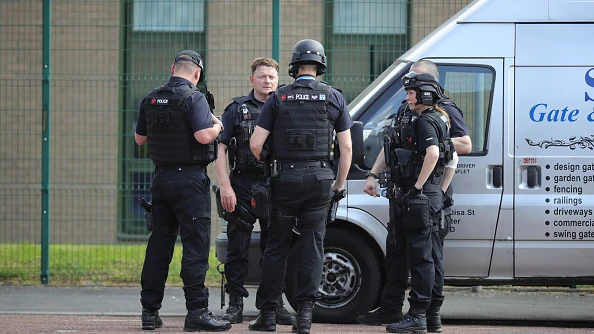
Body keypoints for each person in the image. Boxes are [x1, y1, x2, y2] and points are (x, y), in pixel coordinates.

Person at [248, 39, 353, 334]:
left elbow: (255, 144)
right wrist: (338, 186)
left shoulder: (278, 98)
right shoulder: (333, 97)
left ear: (294, 67)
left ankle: (267, 316)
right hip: (320, 180)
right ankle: (304, 317)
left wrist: (272, 162)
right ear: (320, 67)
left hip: (285, 180)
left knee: (276, 247)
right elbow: (346, 149)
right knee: (312, 247)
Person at [357, 60, 471, 333]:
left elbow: (459, 147)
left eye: (414, 83)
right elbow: (392, 144)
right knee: (397, 251)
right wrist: (373, 175)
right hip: (403, 191)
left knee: (426, 255)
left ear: (430, 86)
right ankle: (391, 307)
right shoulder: (406, 110)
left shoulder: (440, 112)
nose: (407, 88)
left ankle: (427, 313)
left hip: (423, 191)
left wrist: (430, 189)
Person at [134, 50, 231, 332]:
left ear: (172, 68)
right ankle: (197, 312)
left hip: (161, 180)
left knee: (159, 247)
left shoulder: (151, 98)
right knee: (194, 248)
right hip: (189, 182)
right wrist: (217, 125)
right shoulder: (194, 97)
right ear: (197, 74)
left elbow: (140, 139)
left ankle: (149, 312)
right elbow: (203, 136)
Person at [213, 57, 295, 325]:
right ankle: (235, 304)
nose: (267, 81)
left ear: (278, 79)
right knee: (238, 249)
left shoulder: (285, 107)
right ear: (252, 79)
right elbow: (221, 149)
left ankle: (274, 304)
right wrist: (225, 187)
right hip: (242, 185)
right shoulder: (237, 109)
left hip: (275, 186)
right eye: (262, 76)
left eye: (272, 77)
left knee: (276, 249)